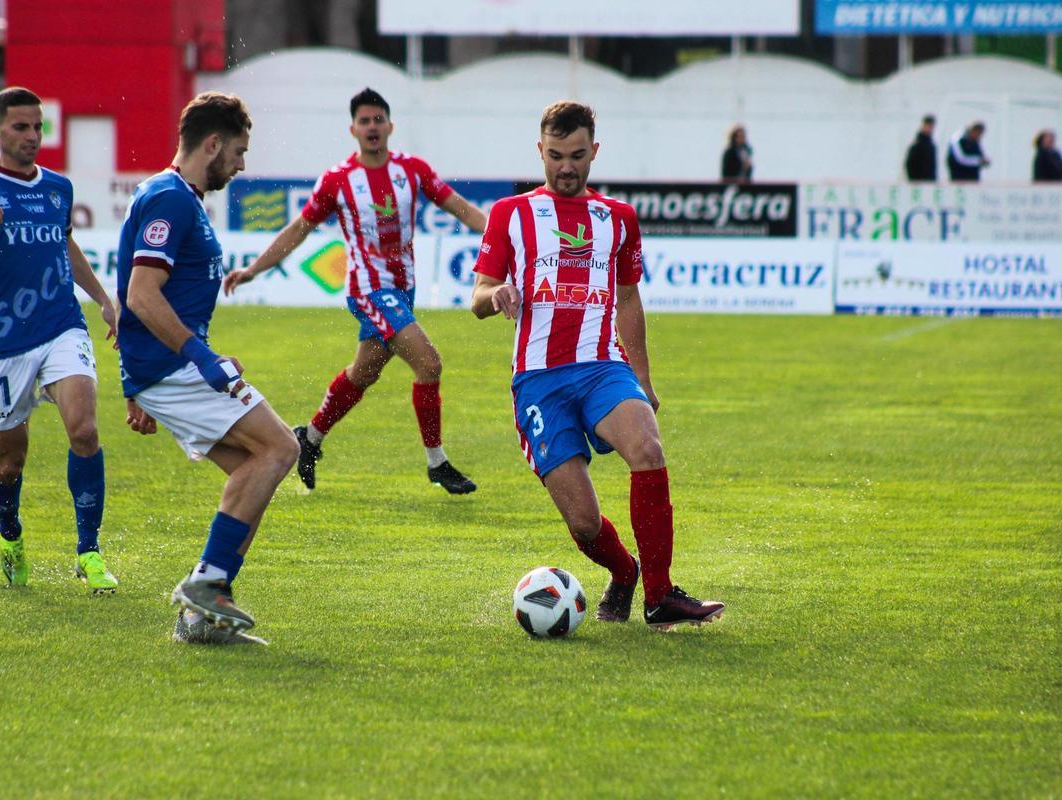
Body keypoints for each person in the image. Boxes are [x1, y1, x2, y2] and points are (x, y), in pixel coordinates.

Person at [471, 101, 724, 632]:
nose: (567, 167)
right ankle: (625, 572)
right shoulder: (510, 214)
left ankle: (660, 595)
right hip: (538, 382)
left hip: (603, 366)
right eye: (557, 155)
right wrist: (497, 297)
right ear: (540, 151)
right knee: (584, 524)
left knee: (648, 449)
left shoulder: (618, 218)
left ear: (595, 153)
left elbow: (629, 300)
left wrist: (645, 382)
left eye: (578, 156)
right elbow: (479, 293)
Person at [224, 87, 487, 495]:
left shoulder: (412, 170)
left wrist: (508, 237)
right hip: (369, 290)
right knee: (429, 364)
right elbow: (298, 229)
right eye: (364, 121)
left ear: (390, 125)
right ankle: (437, 462)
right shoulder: (339, 180)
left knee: (362, 374)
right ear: (353, 129)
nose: (372, 127)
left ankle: (309, 438)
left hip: (402, 290)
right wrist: (254, 269)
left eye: (378, 119)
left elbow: (462, 209)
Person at [116, 91, 298, 645]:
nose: (241, 165)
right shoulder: (171, 198)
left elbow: (147, 302)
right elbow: (142, 294)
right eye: (238, 151)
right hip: (173, 368)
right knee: (281, 448)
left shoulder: (178, 197)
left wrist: (138, 386)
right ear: (212, 144)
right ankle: (209, 582)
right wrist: (200, 359)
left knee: (253, 468)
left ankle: (202, 619)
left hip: (162, 371)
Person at [0, 86, 119, 594]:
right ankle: (11, 536)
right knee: (9, 463)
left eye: (38, 127)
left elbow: (65, 243)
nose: (33, 136)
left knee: (84, 430)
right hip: (1, 343)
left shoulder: (58, 188)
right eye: (21, 127)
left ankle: (89, 552)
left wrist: (102, 297)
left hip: (61, 326)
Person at [904, 115, 937, 182]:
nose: (930, 129)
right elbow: (909, 165)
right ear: (923, 126)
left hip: (930, 184)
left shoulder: (932, 145)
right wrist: (914, 182)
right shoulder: (916, 145)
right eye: (928, 126)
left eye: (931, 127)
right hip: (919, 184)